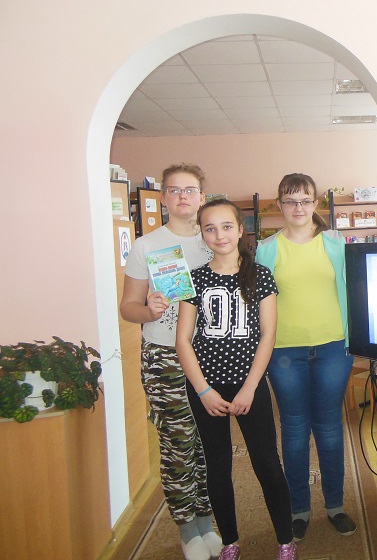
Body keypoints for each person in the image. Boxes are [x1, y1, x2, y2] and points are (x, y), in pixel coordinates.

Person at [176, 199, 298, 560]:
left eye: (227, 226)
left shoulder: (260, 275)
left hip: (250, 385)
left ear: (240, 229)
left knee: (267, 464)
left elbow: (268, 335)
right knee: (217, 467)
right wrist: (203, 390)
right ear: (202, 233)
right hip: (206, 388)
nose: (219, 235)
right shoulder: (193, 278)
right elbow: (183, 340)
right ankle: (229, 541)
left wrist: (250, 387)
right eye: (210, 228)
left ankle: (286, 540)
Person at [119, 164, 221, 560]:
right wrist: (148, 310)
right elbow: (128, 307)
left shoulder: (213, 240)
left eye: (190, 189)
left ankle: (207, 520)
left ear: (202, 197)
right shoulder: (147, 246)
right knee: (178, 444)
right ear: (162, 198)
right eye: (174, 190)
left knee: (207, 444)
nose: (182, 196)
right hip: (164, 357)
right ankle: (187, 528)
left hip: (209, 355)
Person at [255, 173, 356, 542]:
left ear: (316, 203)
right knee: (295, 430)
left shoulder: (337, 244)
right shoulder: (266, 250)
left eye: (305, 200)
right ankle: (298, 510)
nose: (298, 207)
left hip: (333, 348)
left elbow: (353, 289)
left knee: (329, 428)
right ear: (279, 205)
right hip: (284, 351)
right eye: (290, 200)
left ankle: (335, 505)